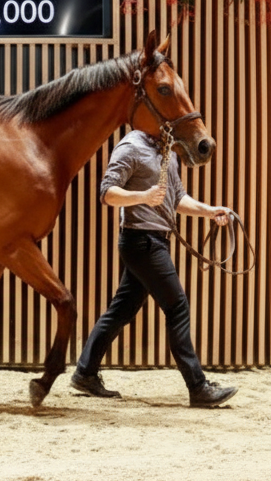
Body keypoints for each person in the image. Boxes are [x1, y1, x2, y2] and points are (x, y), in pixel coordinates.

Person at [70, 128, 239, 408]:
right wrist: (143, 196)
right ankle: (198, 387)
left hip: (154, 240)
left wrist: (210, 211)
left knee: (121, 309)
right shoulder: (131, 147)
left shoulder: (167, 150)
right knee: (177, 307)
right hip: (141, 241)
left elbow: (177, 198)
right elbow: (107, 193)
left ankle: (85, 373)